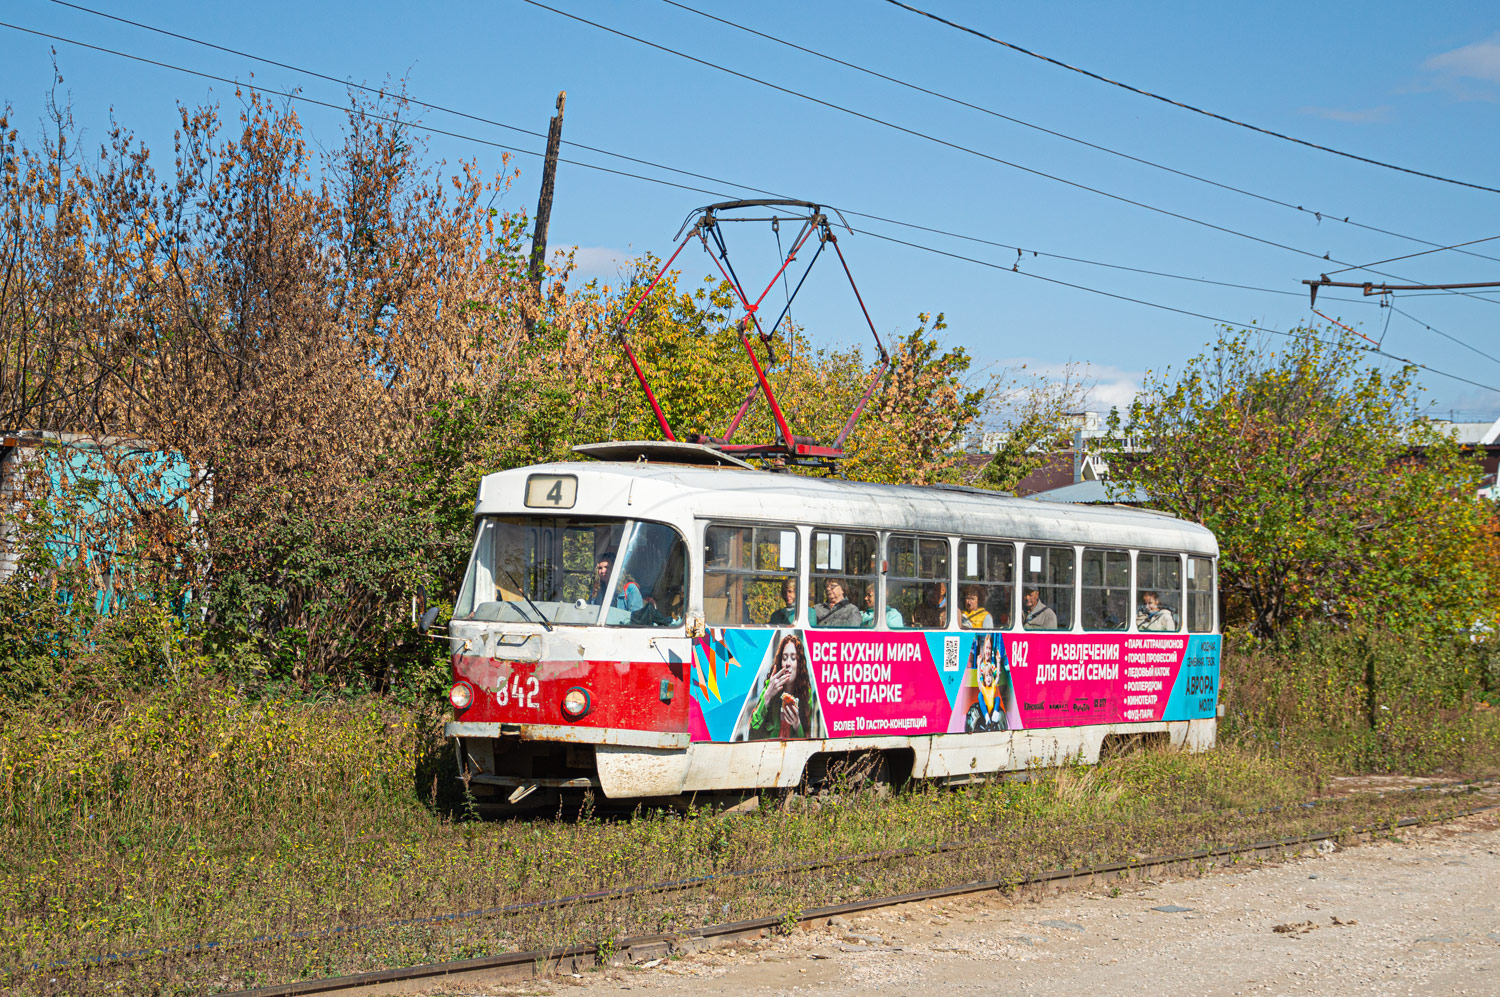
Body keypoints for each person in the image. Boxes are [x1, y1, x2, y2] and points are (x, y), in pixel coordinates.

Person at [748, 633, 815, 739]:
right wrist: (767, 697)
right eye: (784, 658)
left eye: (793, 658)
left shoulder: (806, 694)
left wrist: (797, 724)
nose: (788, 663)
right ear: (780, 663)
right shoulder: (769, 688)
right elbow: (752, 736)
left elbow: (807, 739)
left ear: (799, 665)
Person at [964, 633, 1010, 733]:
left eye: (989, 648)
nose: (988, 651)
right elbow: (979, 682)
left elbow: (997, 677)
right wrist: (979, 664)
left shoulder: (992, 665)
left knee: (997, 699)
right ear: (983, 650)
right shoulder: (981, 666)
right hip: (984, 697)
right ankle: (985, 716)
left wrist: (998, 662)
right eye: (986, 648)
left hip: (991, 697)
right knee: (980, 696)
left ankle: (995, 715)